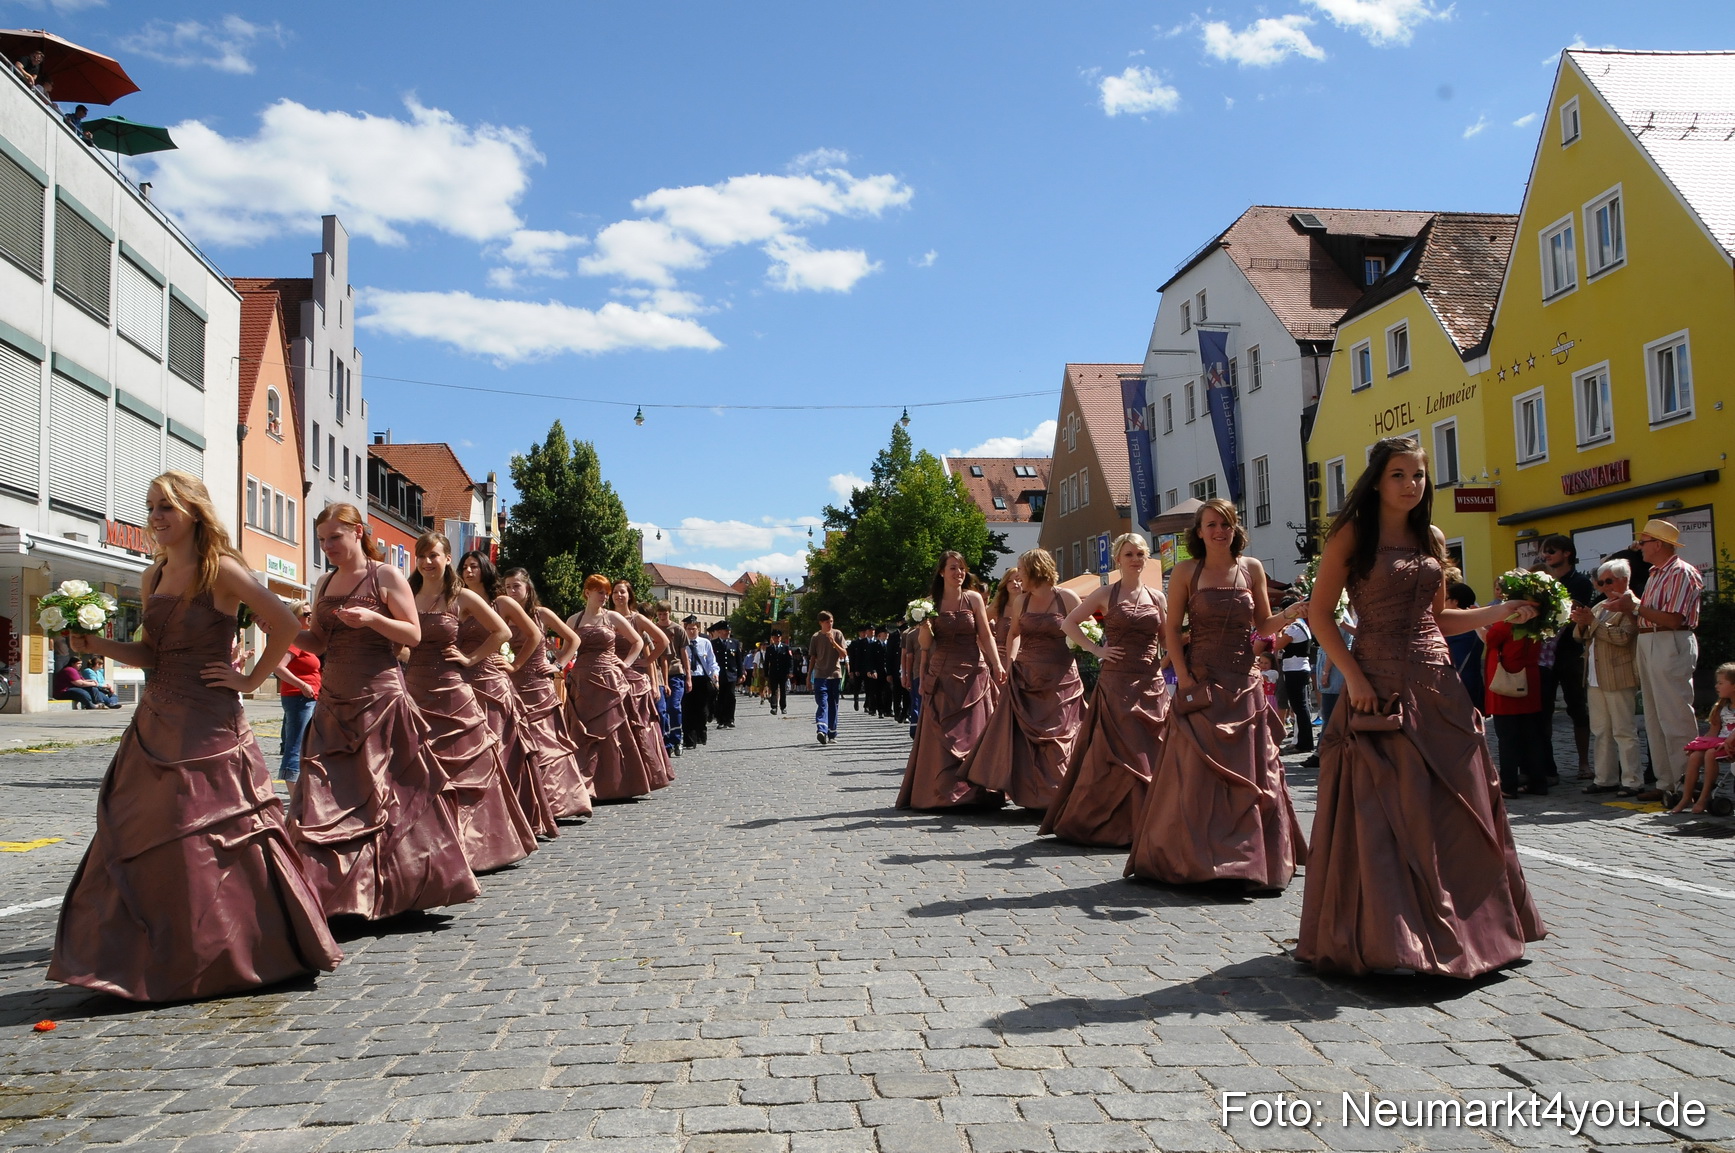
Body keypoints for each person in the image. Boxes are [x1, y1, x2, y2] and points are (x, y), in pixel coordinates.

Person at [49, 471, 342, 1001]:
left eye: (167, 507)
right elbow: (149, 655)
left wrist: (251, 680)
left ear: (194, 512)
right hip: (156, 719)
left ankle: (236, 950)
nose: (157, 517)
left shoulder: (221, 570)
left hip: (208, 719)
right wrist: (99, 645)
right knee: (140, 825)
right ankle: (152, 954)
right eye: (152, 506)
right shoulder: (153, 576)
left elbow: (282, 623)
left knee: (205, 827)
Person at [1297, 437, 1545, 978]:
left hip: (1438, 683)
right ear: (1377, 481)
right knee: (1393, 804)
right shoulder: (1352, 534)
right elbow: (1320, 616)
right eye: (1399, 475)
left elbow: (1440, 619)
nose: (1412, 484)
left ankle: (1475, 929)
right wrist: (1355, 678)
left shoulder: (1429, 535)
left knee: (1458, 804)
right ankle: (1394, 936)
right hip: (1379, 680)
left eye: (1419, 475)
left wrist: (1498, 611)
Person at [291, 504, 479, 921]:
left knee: (389, 792)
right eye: (322, 539)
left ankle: (402, 887)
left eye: (335, 537)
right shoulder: (323, 584)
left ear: (358, 532)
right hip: (334, 700)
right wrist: (283, 628)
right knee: (331, 793)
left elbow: (412, 633)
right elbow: (318, 642)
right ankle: (339, 895)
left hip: (380, 697)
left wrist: (372, 619)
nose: (327, 547)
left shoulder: (385, 575)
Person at [1126, 500, 1307, 890]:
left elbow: (1263, 623)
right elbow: (1172, 629)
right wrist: (1185, 677)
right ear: (1200, 530)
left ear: (1234, 527)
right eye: (1211, 524)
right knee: (1196, 772)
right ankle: (1195, 859)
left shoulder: (1252, 568)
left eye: (1225, 524)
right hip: (1203, 681)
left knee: (1250, 771)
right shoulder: (1187, 572)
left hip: (1243, 684)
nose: (1219, 531)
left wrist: (1293, 612)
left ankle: (1247, 860)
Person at [404, 532, 536, 873]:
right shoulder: (406, 594)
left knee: (465, 767)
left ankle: (477, 843)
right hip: (414, 688)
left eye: (434, 555)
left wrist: (470, 658)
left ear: (447, 558)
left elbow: (502, 632)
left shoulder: (459, 596)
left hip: (452, 691)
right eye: (422, 556)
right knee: (421, 769)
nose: (427, 562)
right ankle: (427, 847)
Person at [1043, 533, 1167, 846]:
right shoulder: (1105, 593)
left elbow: (1167, 640)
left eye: (1140, 554)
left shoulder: (1157, 596)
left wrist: (1165, 665)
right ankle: (1114, 821)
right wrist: (1098, 651)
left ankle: (1152, 821)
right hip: (1116, 683)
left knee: (1153, 749)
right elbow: (1069, 624)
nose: (1136, 560)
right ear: (1117, 560)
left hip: (1151, 683)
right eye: (1129, 554)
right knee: (1122, 749)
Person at [962, 548, 1084, 811]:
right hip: (1027, 676)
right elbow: (1014, 634)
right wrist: (1010, 663)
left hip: (1061, 678)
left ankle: (1058, 794)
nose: (1018, 576)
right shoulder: (1021, 602)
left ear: (1036, 570)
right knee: (1027, 741)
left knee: (1061, 736)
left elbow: (1085, 630)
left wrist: (1086, 645)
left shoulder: (1067, 598)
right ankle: (1034, 796)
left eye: (1022, 570)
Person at [461, 550, 563, 835]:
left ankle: (513, 816)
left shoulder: (500, 603)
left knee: (501, 751)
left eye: (473, 566)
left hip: (494, 681)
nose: (468, 571)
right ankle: (482, 822)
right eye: (464, 567)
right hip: (465, 685)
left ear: (484, 569)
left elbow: (534, 635)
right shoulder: (456, 603)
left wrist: (515, 663)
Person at [897, 552, 1008, 809]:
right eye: (952, 568)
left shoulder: (974, 599)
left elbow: (985, 634)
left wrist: (997, 663)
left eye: (961, 569)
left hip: (974, 672)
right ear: (941, 572)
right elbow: (926, 645)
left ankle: (979, 791)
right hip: (943, 673)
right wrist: (925, 625)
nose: (958, 573)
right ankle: (943, 793)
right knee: (944, 734)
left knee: (975, 731)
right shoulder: (929, 603)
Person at [1613, 520, 1703, 804]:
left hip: (1669, 641)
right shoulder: (1656, 573)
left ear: (1659, 544)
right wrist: (1629, 609)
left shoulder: (1680, 572)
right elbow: (1647, 615)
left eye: (1644, 540)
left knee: (1674, 714)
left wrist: (1635, 606)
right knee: (1653, 716)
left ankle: (1686, 783)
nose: (1639, 546)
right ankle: (1667, 782)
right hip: (1651, 639)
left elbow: (1674, 619)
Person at [499, 568, 592, 824]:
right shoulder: (501, 616)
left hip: (538, 685)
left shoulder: (541, 614)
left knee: (546, 744)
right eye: (507, 587)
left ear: (528, 588)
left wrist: (559, 665)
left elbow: (573, 639)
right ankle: (526, 802)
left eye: (516, 586)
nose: (511, 591)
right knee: (517, 742)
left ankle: (558, 802)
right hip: (510, 683)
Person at [565, 575, 656, 799]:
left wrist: (625, 663)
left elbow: (638, 641)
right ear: (587, 593)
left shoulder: (612, 617)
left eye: (607, 592)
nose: (605, 596)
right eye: (601, 592)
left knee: (613, 730)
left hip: (609, 680)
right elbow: (567, 651)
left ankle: (619, 784)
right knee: (585, 733)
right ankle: (588, 787)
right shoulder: (573, 621)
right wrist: (554, 657)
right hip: (583, 681)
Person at [1572, 560, 1642, 797]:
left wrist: (1592, 623)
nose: (1604, 587)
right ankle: (1605, 779)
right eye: (1600, 583)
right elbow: (1579, 635)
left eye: (1608, 581)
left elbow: (1624, 638)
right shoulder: (1601, 605)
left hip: (1618, 676)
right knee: (1601, 730)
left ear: (1624, 580)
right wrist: (1582, 623)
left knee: (1624, 731)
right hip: (1594, 677)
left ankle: (1632, 781)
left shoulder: (1633, 606)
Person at [1535, 535, 1595, 781]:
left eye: (1551, 551)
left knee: (1577, 709)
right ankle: (1548, 767)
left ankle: (1583, 763)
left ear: (1567, 553)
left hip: (1571, 652)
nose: (1545, 556)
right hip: (1543, 654)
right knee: (1543, 710)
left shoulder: (1580, 581)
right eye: (1544, 552)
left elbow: (1573, 612)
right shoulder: (1542, 581)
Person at [1484, 586, 1549, 798]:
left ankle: (1509, 785)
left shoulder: (1511, 620)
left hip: (1506, 681)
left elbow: (1491, 640)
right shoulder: (1542, 620)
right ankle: (1538, 782)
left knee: (1508, 738)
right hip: (1529, 679)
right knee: (1532, 736)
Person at [608, 581, 674, 784]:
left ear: (630, 595)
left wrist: (647, 662)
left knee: (639, 724)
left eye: (623, 592)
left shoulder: (637, 619)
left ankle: (646, 770)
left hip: (634, 678)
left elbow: (663, 641)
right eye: (615, 592)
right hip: (611, 677)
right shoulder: (606, 618)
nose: (619, 595)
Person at [1673, 664, 1735, 815]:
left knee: (1710, 754)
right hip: (1719, 744)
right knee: (1695, 756)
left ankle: (1704, 796)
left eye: (1721, 683)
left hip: (1730, 746)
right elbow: (1713, 733)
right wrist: (1698, 745)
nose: (1716, 686)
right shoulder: (1722, 707)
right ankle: (1686, 797)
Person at [275, 603, 320, 786]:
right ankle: (294, 802)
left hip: (306, 698)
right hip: (299, 698)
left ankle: (301, 795)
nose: (311, 616)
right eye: (306, 613)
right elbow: (278, 667)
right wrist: (302, 685)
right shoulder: (296, 640)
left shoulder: (305, 641)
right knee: (295, 746)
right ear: (296, 616)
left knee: (303, 746)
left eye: (312, 613)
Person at [1276, 599, 1314, 754]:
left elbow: (1278, 644)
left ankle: (1305, 742)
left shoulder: (1294, 628)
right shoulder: (1302, 625)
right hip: (1298, 668)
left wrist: (1278, 631)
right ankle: (1301, 740)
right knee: (1299, 706)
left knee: (1299, 706)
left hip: (1295, 669)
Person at [654, 601, 690, 757]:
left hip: (675, 672)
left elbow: (684, 654)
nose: (662, 617)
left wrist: (688, 676)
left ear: (669, 613)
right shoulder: (653, 629)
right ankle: (665, 740)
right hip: (659, 675)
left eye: (665, 614)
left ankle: (677, 739)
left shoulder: (678, 629)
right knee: (662, 710)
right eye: (660, 614)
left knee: (674, 707)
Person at [1444, 583, 1485, 714]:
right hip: (1473, 683)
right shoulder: (1475, 622)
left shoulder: (1455, 627)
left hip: (1458, 685)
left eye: (1445, 598)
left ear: (1455, 601)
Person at [681, 614, 719, 749]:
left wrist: (715, 674)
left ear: (698, 629)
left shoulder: (705, 643)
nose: (692, 631)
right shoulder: (682, 643)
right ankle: (689, 739)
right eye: (689, 628)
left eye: (694, 628)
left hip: (702, 678)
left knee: (702, 710)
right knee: (687, 709)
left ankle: (701, 732)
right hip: (687, 678)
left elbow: (711, 661)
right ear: (685, 629)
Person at [809, 611, 847, 744]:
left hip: (835, 674)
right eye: (827, 622)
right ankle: (821, 729)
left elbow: (843, 654)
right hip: (820, 675)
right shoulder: (816, 637)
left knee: (833, 704)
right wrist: (809, 677)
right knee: (822, 702)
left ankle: (832, 733)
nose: (829, 624)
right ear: (821, 623)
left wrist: (833, 642)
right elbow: (813, 658)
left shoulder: (838, 634)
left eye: (831, 621)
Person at [710, 620, 741, 728]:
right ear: (719, 632)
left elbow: (738, 660)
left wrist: (741, 674)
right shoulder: (713, 644)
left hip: (731, 674)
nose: (727, 632)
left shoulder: (735, 643)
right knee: (720, 697)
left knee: (731, 697)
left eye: (728, 630)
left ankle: (730, 719)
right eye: (725, 630)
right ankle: (721, 720)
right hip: (719, 675)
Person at [847, 625, 875, 712]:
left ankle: (867, 704)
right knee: (857, 686)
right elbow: (853, 658)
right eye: (862, 632)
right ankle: (856, 699)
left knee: (868, 687)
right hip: (858, 668)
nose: (864, 634)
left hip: (866, 668)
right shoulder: (855, 643)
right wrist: (853, 670)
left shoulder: (869, 642)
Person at [763, 629, 792, 714]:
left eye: (778, 637)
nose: (777, 639)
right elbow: (766, 662)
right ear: (772, 638)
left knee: (783, 691)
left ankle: (783, 707)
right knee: (774, 690)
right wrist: (766, 673)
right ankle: (774, 707)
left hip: (783, 673)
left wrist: (790, 671)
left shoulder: (786, 647)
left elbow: (790, 660)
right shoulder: (769, 649)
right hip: (773, 673)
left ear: (780, 638)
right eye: (775, 637)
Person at [871, 625, 894, 716]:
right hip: (878, 671)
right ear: (879, 635)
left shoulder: (890, 645)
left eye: (887, 633)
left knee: (889, 691)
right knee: (879, 691)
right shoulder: (874, 646)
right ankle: (880, 710)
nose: (886, 635)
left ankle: (888, 710)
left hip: (888, 671)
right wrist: (873, 670)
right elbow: (871, 659)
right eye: (884, 633)